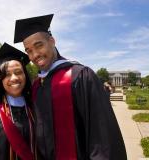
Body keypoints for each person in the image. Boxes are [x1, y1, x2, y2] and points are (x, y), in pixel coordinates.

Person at [14, 14, 127, 160]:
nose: (35, 54)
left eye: (39, 45)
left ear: (52, 41)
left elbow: (103, 137)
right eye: (28, 50)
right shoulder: (37, 85)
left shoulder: (81, 77)